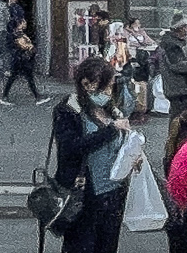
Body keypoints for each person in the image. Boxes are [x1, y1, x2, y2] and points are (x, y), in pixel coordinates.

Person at [53, 55, 133, 253]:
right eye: (105, 87)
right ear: (87, 84)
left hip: (113, 190)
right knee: (82, 244)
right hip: (84, 192)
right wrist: (111, 130)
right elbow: (72, 148)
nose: (108, 92)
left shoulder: (109, 109)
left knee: (107, 244)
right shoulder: (68, 111)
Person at [160, 16, 187, 136]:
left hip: (182, 89)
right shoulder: (172, 45)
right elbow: (178, 65)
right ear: (180, 28)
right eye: (186, 27)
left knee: (185, 117)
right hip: (179, 89)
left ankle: (182, 141)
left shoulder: (174, 43)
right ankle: (178, 143)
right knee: (180, 118)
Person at [5, 11, 46, 104]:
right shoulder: (15, 35)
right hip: (20, 59)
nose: (25, 23)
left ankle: (5, 96)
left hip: (21, 59)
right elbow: (23, 46)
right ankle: (37, 97)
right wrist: (28, 48)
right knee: (25, 77)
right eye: (22, 22)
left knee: (18, 77)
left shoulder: (19, 34)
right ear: (18, 25)